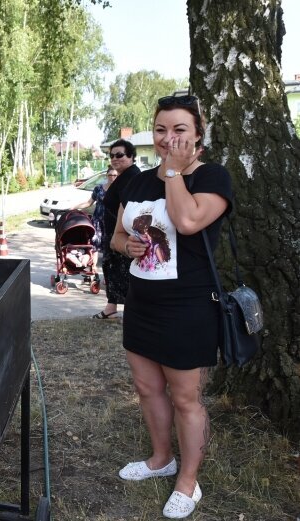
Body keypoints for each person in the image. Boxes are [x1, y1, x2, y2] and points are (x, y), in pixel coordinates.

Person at [110, 94, 232, 519]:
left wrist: (175, 172)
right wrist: (131, 246)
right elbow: (116, 239)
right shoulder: (136, 180)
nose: (169, 138)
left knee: (186, 399)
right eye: (161, 129)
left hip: (189, 308)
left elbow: (186, 222)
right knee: (147, 388)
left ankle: (188, 481)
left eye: (180, 129)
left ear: (199, 134)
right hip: (142, 303)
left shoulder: (213, 177)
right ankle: (162, 459)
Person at [93, 140, 142, 319]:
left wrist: (119, 235)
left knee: (124, 272)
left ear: (131, 156)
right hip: (113, 233)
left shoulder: (133, 176)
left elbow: (128, 207)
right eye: (112, 155)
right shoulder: (123, 177)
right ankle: (111, 306)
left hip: (122, 235)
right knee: (111, 269)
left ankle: (130, 310)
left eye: (119, 155)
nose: (115, 158)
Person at [70, 164, 116, 277]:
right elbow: (89, 203)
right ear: (107, 175)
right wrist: (75, 207)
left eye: (115, 175)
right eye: (110, 175)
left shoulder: (119, 189)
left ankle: (107, 275)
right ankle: (93, 268)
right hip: (98, 221)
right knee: (94, 245)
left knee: (108, 249)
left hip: (111, 223)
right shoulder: (99, 188)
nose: (112, 177)